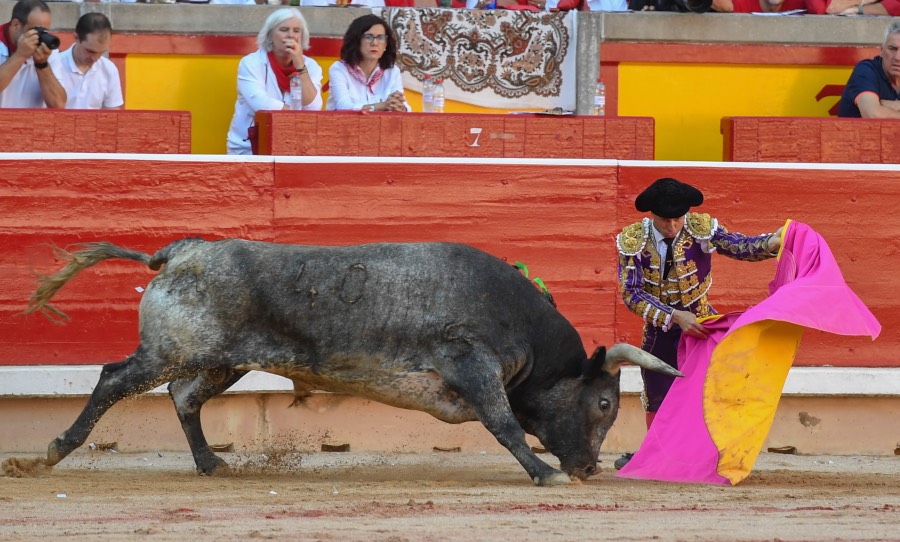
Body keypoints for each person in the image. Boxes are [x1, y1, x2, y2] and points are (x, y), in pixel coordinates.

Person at [613, 178, 783, 470]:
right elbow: (632, 294)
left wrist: (770, 243)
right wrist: (673, 315)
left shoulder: (699, 228)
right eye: (665, 221)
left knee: (715, 386)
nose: (672, 227)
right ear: (651, 215)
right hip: (661, 327)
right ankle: (658, 451)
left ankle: (711, 450)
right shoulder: (633, 241)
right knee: (657, 392)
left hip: (704, 321)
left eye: (678, 219)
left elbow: (737, 245)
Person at [226, 7, 323, 155]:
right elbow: (261, 104)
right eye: (284, 29)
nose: (291, 35)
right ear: (270, 35)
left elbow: (314, 107)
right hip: (249, 147)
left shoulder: (311, 66)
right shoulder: (250, 63)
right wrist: (299, 118)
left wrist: (300, 65)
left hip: (294, 147)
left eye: (296, 31)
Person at [326, 14, 409, 113]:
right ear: (356, 41)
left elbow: (405, 107)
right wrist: (381, 106)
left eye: (380, 37)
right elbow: (343, 107)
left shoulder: (392, 71)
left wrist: (399, 106)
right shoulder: (339, 69)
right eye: (368, 37)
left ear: (386, 44)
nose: (374, 43)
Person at [0, 0, 66, 109]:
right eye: (36, 31)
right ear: (16, 25)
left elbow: (58, 104)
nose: (40, 37)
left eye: (44, 32)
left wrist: (42, 65)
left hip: (31, 124)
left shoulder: (47, 49)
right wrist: (20, 55)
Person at [58, 13, 123, 110]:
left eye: (101, 52)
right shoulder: (54, 65)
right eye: (90, 51)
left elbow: (113, 116)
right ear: (76, 38)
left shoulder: (109, 69)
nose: (95, 59)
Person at [838, 21, 900, 119]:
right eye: (892, 49)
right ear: (881, 51)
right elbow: (873, 115)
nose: (897, 57)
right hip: (854, 134)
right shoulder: (866, 70)